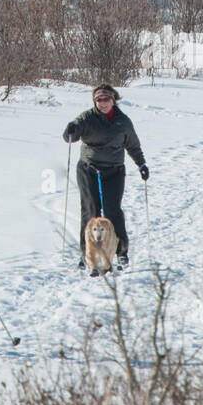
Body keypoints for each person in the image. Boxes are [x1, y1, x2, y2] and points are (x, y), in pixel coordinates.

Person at [63, 83, 148, 270]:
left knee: (112, 211)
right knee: (90, 210)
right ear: (95, 101)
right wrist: (70, 130)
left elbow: (133, 145)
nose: (102, 103)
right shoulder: (88, 117)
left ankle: (121, 252)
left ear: (113, 100)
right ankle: (87, 254)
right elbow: (72, 133)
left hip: (114, 170)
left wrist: (141, 164)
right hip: (88, 169)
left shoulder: (123, 121)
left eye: (106, 99)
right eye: (99, 100)